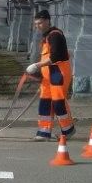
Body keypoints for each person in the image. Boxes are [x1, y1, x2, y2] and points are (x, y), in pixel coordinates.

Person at [27, 9, 75, 141]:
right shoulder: (47, 37)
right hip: (49, 77)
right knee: (45, 102)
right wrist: (39, 73)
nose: (38, 26)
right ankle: (43, 132)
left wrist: (37, 66)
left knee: (58, 102)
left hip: (58, 74)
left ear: (47, 21)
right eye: (36, 24)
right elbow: (46, 58)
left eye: (40, 23)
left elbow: (55, 57)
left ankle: (68, 130)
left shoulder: (55, 35)